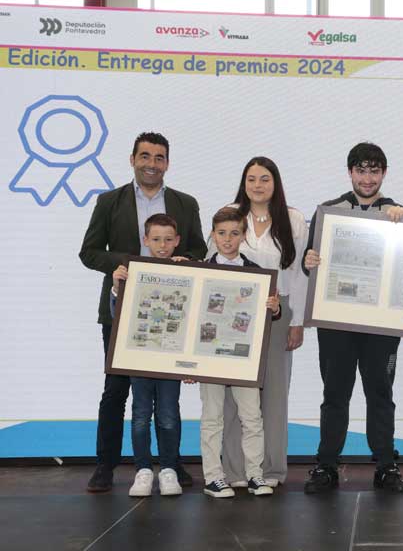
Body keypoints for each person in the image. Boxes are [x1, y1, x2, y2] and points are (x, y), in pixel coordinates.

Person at [80, 132, 206, 493]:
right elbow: (89, 252)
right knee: (116, 390)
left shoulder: (185, 203)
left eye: (159, 157)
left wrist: (187, 261)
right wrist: (128, 265)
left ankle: (172, 463)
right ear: (132, 159)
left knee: (169, 393)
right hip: (121, 313)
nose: (152, 164)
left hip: (172, 315)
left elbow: (197, 249)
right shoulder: (109, 201)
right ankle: (105, 464)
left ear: (168, 162)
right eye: (145, 156)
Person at [302, 142, 403, 494]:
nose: (368, 178)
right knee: (335, 392)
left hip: (381, 322)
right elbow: (310, 262)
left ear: (384, 173)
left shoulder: (397, 213)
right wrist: (310, 263)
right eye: (361, 170)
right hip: (337, 321)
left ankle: (386, 464)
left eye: (374, 170)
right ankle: (326, 465)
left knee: (380, 392)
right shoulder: (328, 211)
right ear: (350, 172)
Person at [218, 157, 308, 488]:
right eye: (252, 179)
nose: (258, 185)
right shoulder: (230, 215)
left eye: (265, 179)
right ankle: (236, 472)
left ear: (275, 183)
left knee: (274, 394)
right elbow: (214, 263)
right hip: (233, 311)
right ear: (244, 182)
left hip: (277, 310)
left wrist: (297, 320)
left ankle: (270, 471)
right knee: (233, 395)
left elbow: (299, 274)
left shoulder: (294, 219)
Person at [200, 207, 283, 498]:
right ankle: (213, 476)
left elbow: (272, 311)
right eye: (221, 233)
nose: (227, 239)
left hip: (243, 357)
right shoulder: (199, 272)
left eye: (234, 233)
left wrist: (275, 308)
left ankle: (255, 476)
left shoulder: (257, 274)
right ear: (212, 235)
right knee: (212, 417)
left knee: (252, 417)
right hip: (208, 357)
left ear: (243, 235)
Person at [109, 214, 190, 497]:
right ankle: (143, 470)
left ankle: (169, 469)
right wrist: (117, 288)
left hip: (170, 358)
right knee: (141, 414)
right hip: (139, 358)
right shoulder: (132, 272)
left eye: (169, 239)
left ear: (177, 241)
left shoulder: (186, 271)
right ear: (145, 240)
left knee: (168, 414)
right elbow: (115, 316)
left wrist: (191, 272)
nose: (163, 245)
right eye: (156, 239)